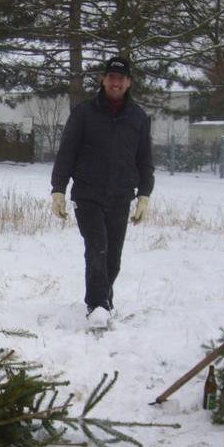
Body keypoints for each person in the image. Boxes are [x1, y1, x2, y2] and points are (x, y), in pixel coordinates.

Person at [50, 55, 154, 325]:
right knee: (97, 248)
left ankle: (104, 301)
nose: (115, 83)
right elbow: (67, 153)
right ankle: (97, 307)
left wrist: (144, 195)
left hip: (121, 195)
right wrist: (58, 190)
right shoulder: (84, 113)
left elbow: (144, 160)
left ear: (129, 82)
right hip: (88, 194)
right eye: (111, 77)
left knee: (113, 258)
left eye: (121, 79)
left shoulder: (138, 117)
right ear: (103, 80)